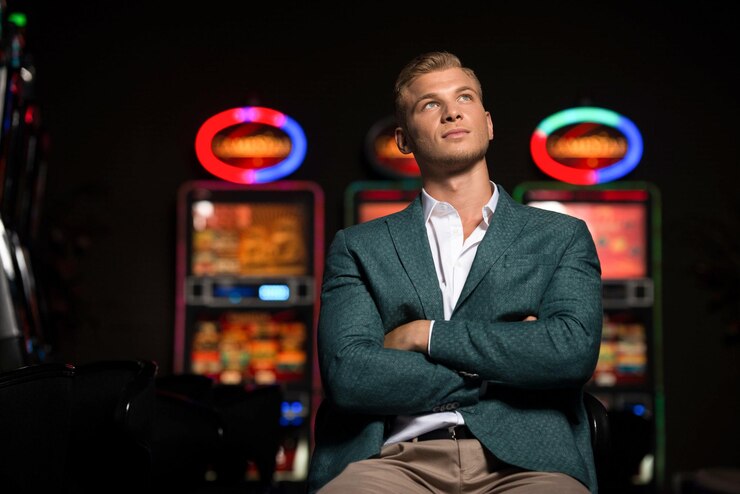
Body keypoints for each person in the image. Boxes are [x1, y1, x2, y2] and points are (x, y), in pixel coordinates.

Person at [307, 51, 603, 493]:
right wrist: (509, 363)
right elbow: (349, 376)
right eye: (430, 104)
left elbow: (570, 352)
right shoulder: (358, 246)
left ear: (488, 123)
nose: (451, 111)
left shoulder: (561, 236)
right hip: (393, 460)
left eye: (464, 97)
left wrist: (423, 335)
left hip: (530, 463)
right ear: (405, 139)